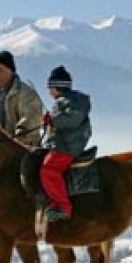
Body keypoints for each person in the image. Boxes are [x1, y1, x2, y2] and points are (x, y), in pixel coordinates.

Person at [40, 65, 92, 222]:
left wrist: (52, 118)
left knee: (48, 171)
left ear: (57, 87)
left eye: (50, 87)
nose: (49, 91)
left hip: (67, 147)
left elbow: (71, 120)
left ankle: (63, 207)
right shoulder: (68, 101)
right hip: (63, 144)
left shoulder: (72, 102)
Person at [0, 50, 44, 147]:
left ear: (10, 70)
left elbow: (31, 120)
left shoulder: (27, 94)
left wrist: (16, 139)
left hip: (21, 149)